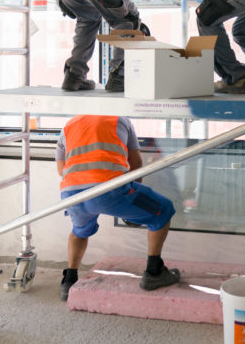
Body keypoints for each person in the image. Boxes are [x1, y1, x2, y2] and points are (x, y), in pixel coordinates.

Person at [56, 114, 180, 300]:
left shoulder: (69, 125)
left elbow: (61, 169)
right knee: (163, 210)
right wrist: (131, 198)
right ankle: (154, 273)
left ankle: (69, 280)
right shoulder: (119, 119)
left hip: (72, 195)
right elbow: (136, 164)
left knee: (79, 232)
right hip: (109, 190)